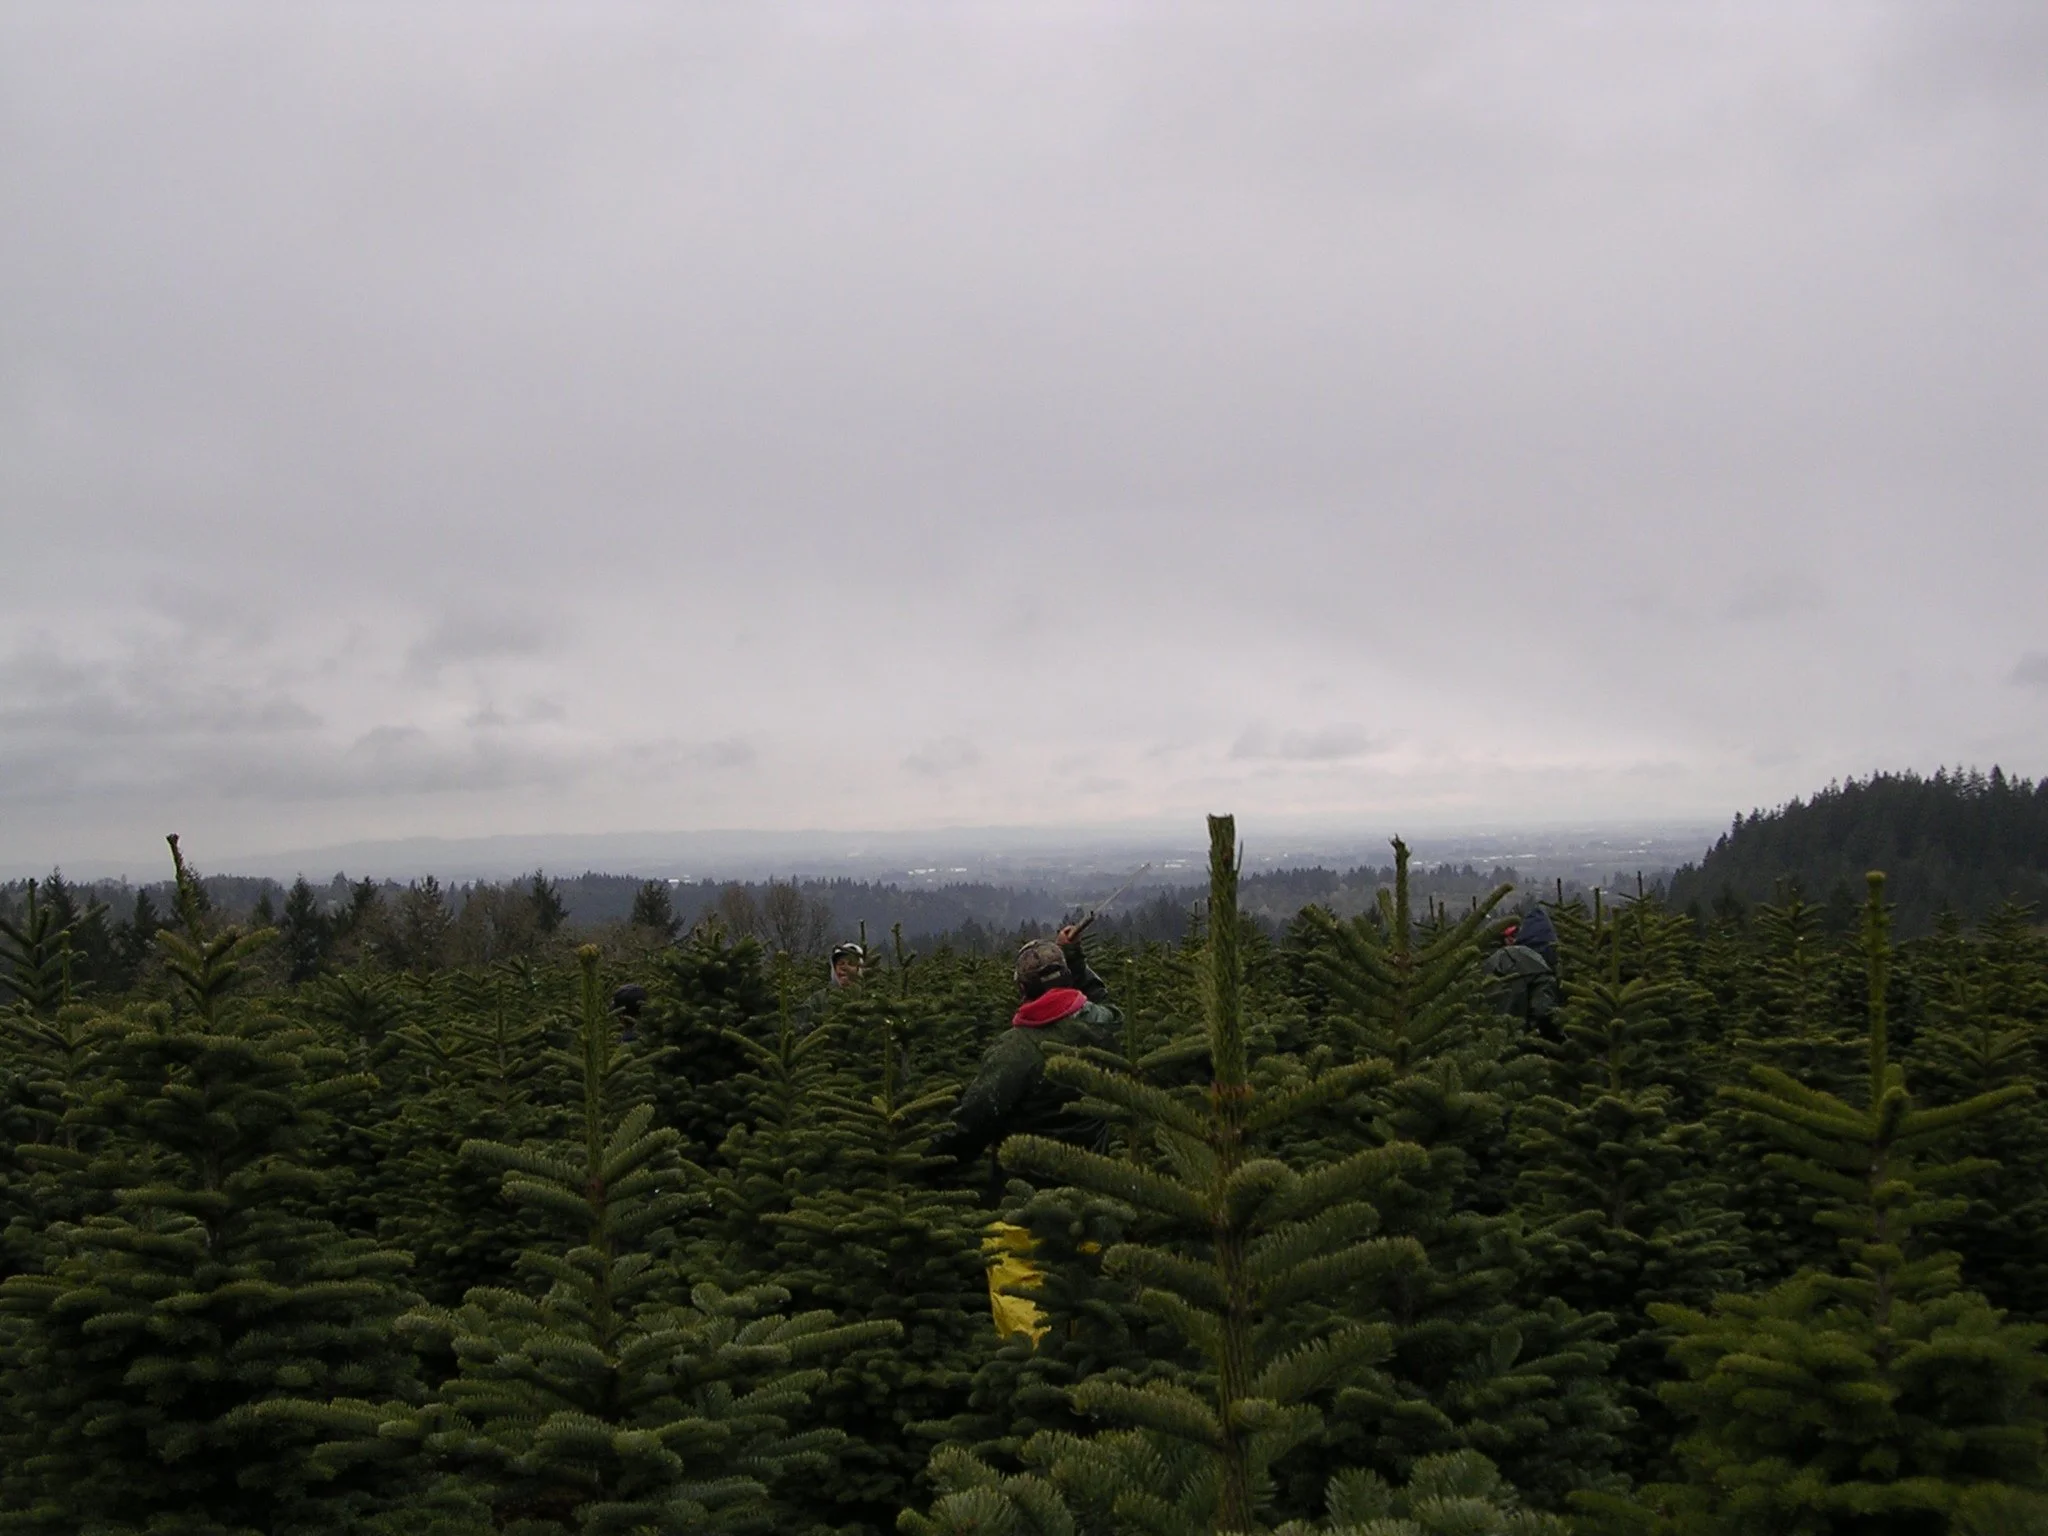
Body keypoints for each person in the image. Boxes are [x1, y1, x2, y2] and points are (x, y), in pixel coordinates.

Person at [930, 923, 1120, 1181]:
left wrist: (920, 1165)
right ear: (1067, 978)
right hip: (1098, 1188)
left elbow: (973, 1124)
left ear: (1022, 989)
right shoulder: (1103, 1025)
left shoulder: (1015, 1049)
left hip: (1025, 1200)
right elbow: (1099, 999)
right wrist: (1073, 957)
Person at [1483, 919, 1560, 1040]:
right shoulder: (1534, 963)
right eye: (1511, 935)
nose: (1514, 939)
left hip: (1487, 1044)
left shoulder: (1480, 965)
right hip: (1525, 1045)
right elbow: (1543, 1012)